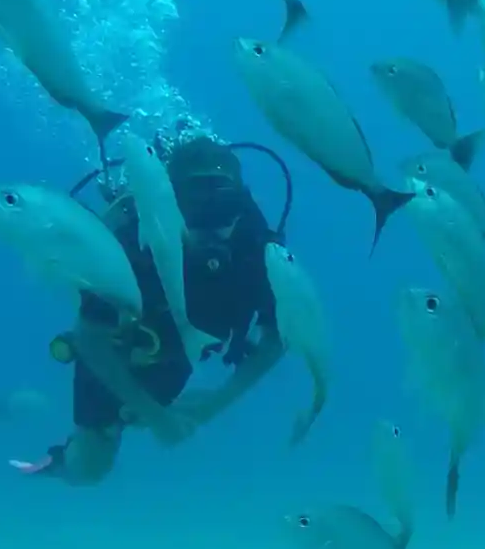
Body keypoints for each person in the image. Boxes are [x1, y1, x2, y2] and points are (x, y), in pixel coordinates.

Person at [19, 122, 286, 484]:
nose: (212, 224)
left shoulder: (256, 248)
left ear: (242, 201)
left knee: (139, 419)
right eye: (196, 205)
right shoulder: (132, 240)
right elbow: (91, 337)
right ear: (172, 202)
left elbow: (278, 335)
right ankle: (60, 461)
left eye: (225, 207)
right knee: (91, 466)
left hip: (178, 352)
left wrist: (218, 402)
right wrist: (158, 416)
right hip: (116, 344)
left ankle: (133, 415)